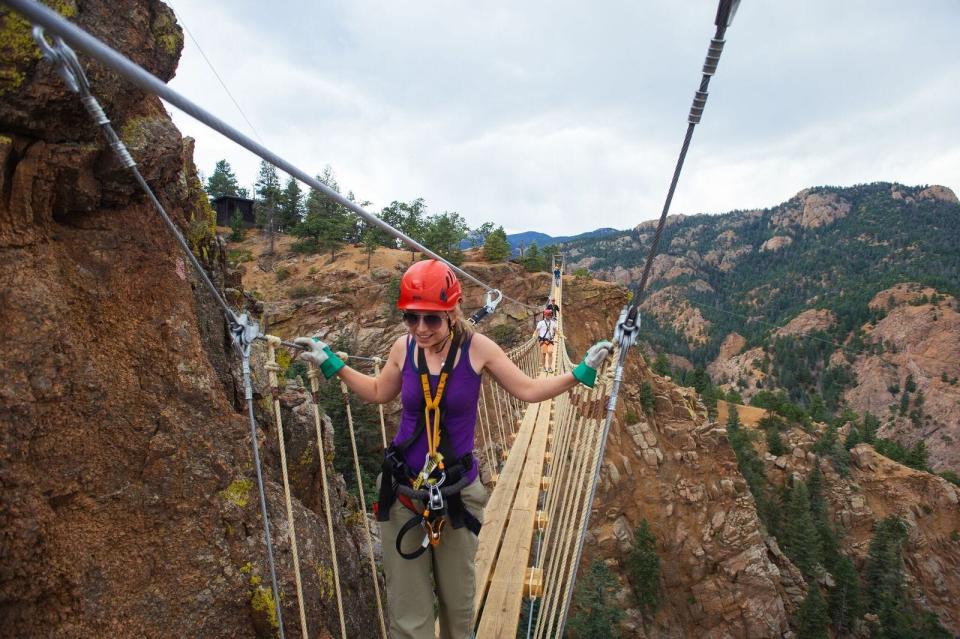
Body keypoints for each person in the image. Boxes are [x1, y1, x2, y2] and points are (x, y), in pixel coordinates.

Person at [294, 259, 611, 639]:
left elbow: (527, 390)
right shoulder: (403, 348)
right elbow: (379, 391)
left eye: (432, 319)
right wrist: (332, 363)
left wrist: (580, 373)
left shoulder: (478, 349)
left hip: (456, 496)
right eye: (412, 318)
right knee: (408, 617)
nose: (421, 328)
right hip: (402, 494)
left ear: (452, 313)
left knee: (458, 611)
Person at [535, 308, 559, 373]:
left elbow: (555, 330)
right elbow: (536, 330)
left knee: (550, 353)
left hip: (550, 340)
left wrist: (561, 335)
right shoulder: (541, 323)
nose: (549, 316)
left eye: (550, 315)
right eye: (548, 315)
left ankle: (549, 367)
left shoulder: (553, 323)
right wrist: (534, 335)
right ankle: (543, 367)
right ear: (545, 315)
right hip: (543, 340)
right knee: (544, 354)